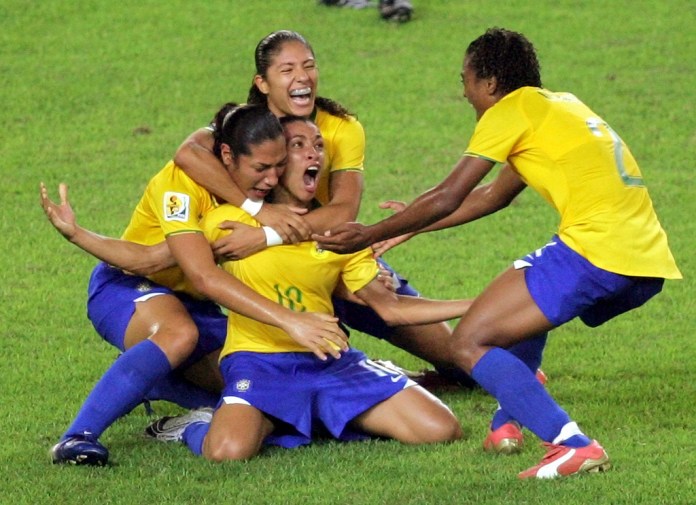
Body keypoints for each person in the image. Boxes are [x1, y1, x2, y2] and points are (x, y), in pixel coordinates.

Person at [314, 27, 682, 478]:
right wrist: (408, 227)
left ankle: (572, 445)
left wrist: (369, 232)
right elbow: (493, 197)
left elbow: (450, 193)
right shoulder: (557, 104)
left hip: (595, 250)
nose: (465, 92)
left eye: (465, 79)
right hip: (643, 259)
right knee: (519, 309)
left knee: (468, 342)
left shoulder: (508, 111)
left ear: (489, 83)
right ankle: (506, 423)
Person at [145, 115, 465, 460]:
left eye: (318, 146)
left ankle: (303, 414)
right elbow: (198, 273)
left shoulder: (337, 232)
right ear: (279, 162)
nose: (314, 154)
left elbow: (390, 307)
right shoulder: (233, 222)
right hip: (259, 362)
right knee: (226, 452)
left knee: (440, 428)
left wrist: (474, 304)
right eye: (298, 146)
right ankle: (195, 425)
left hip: (329, 361)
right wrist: (81, 236)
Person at [43, 103, 348, 467]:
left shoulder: (257, 188)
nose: (271, 179)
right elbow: (150, 261)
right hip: (130, 286)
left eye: (278, 166)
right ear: (227, 155)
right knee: (178, 332)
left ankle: (160, 386)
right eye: (261, 169)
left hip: (198, 304)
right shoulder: (180, 186)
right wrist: (76, 234)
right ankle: (77, 437)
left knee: (263, 381)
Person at [175, 29, 479, 390]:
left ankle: (392, 372)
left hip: (332, 255)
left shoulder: (342, 127)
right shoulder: (243, 127)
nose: (302, 77)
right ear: (263, 82)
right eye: (287, 70)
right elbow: (187, 154)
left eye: (309, 66)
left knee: (460, 360)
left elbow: (343, 211)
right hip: (268, 274)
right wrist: (256, 209)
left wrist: (267, 235)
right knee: (219, 361)